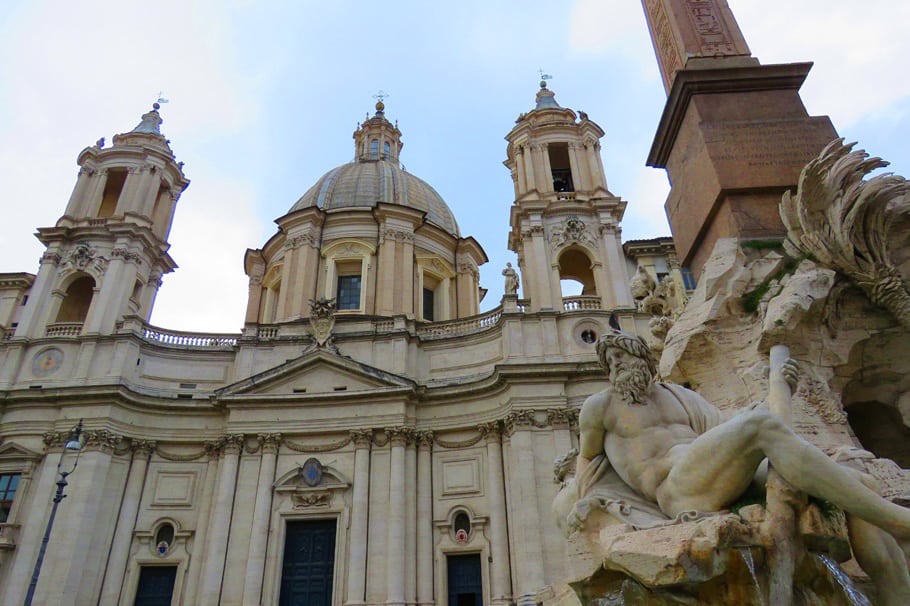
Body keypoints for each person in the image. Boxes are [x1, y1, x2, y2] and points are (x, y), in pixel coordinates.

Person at [575, 328, 910, 604]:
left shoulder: (679, 396)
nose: (616, 364)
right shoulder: (600, 406)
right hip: (677, 490)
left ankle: (898, 594)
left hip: (717, 476)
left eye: (622, 355)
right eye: (610, 360)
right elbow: (588, 460)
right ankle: (897, 520)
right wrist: (584, 508)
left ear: (643, 359)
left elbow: (732, 427)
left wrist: (782, 391)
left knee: (861, 482)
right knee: (760, 424)